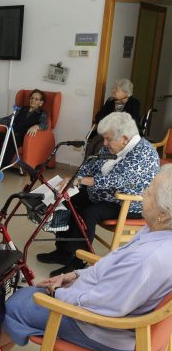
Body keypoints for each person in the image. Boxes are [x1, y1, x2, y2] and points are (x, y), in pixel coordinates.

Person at [0, 165, 172, 351]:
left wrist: (59, 294)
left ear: (163, 213)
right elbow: (112, 269)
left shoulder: (148, 259)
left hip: (102, 329)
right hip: (111, 314)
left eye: (150, 192)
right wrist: (75, 276)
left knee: (20, 303)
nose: (143, 193)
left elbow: (106, 305)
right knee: (32, 297)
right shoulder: (157, 233)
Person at [37, 111, 159, 277]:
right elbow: (92, 163)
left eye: (108, 139)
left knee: (89, 213)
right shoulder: (115, 145)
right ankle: (64, 251)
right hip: (103, 194)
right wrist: (74, 177)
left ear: (124, 137)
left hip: (128, 202)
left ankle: (79, 261)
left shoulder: (144, 153)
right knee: (67, 198)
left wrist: (80, 181)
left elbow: (116, 180)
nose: (104, 143)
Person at [0, 89, 48, 177]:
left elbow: (45, 125)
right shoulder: (21, 109)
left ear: (41, 103)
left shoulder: (42, 114)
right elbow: (9, 119)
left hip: (23, 138)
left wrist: (36, 126)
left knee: (11, 141)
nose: (33, 100)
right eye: (32, 98)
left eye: (36, 99)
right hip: (11, 133)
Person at [86, 78, 141, 157]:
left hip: (121, 135)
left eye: (116, 89)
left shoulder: (134, 103)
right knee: (92, 144)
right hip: (106, 132)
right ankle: (88, 166)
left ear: (125, 92)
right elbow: (98, 116)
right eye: (114, 88)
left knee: (100, 147)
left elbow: (134, 121)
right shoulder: (110, 101)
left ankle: (101, 166)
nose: (113, 91)